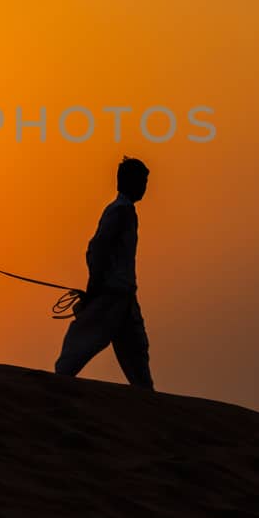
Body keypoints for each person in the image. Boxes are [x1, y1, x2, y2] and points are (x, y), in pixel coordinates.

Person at [54, 157, 153, 389]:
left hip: (124, 294)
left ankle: (147, 396)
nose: (145, 187)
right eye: (142, 181)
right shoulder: (120, 211)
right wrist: (95, 286)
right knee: (83, 339)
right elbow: (97, 248)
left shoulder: (125, 211)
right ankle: (57, 384)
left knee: (135, 348)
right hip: (112, 293)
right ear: (128, 182)